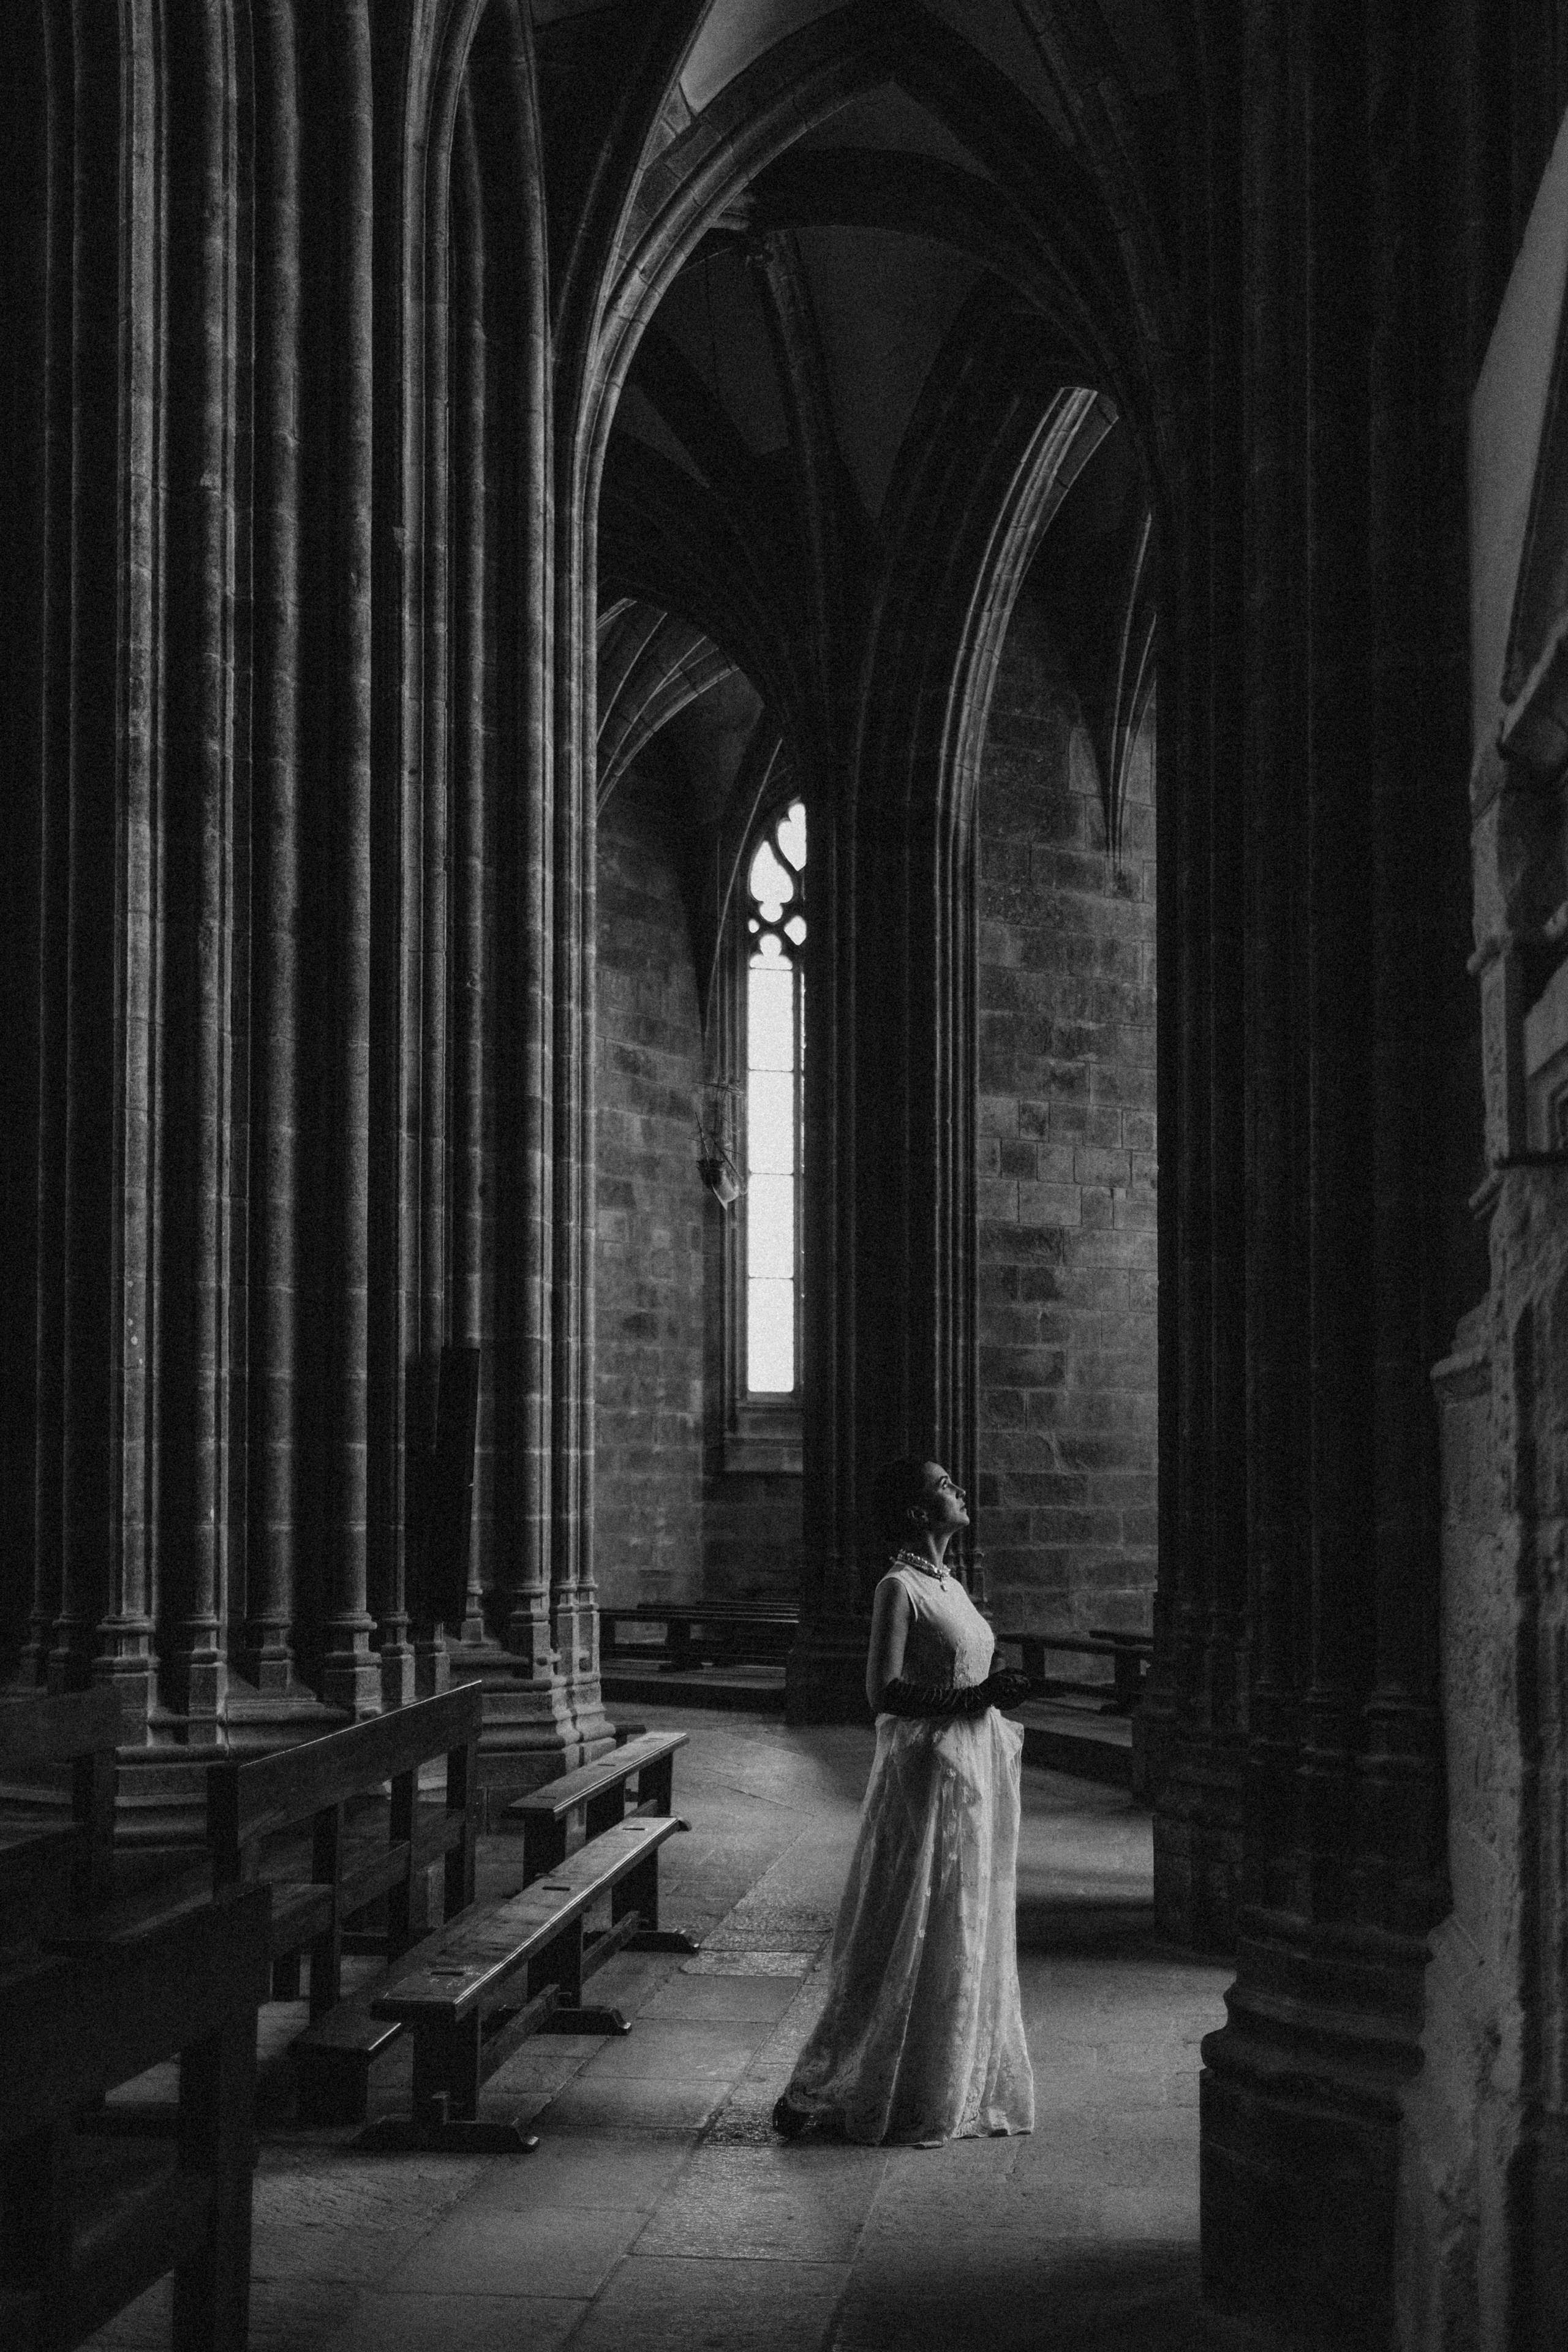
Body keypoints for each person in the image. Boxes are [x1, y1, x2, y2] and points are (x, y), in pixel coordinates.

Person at [771, 1457, 1036, 2146]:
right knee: (908, 1921)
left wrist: (993, 1692)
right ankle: (839, 2078)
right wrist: (976, 1698)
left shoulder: (951, 1584)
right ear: (919, 1513)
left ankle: (940, 2078)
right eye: (945, 1486)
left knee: (959, 1921)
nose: (961, 1491)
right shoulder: (898, 1587)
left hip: (970, 1772)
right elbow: (883, 1693)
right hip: (924, 1777)